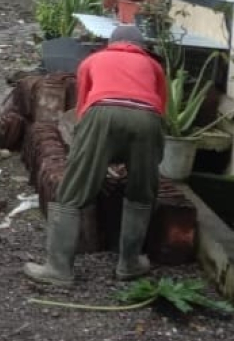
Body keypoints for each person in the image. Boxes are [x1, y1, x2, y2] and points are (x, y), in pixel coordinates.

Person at [24, 26, 167, 285]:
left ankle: (59, 269)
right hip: (147, 118)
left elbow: (83, 106)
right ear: (141, 47)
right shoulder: (153, 66)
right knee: (141, 191)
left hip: (101, 113)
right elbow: (161, 106)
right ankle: (129, 264)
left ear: (110, 44)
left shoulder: (93, 60)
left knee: (73, 189)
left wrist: (87, 151)